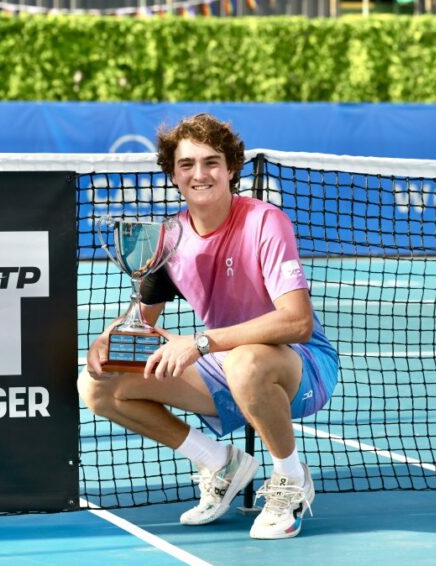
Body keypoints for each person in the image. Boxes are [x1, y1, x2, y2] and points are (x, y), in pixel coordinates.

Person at [78, 113, 339, 540]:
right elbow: (139, 323)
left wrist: (200, 343)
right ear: (174, 176)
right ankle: (220, 462)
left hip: (301, 366)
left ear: (231, 168)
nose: (200, 174)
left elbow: (298, 322)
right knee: (98, 386)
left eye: (211, 162)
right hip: (224, 361)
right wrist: (107, 344)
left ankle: (290, 480)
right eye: (187, 165)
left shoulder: (265, 222)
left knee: (247, 364)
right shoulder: (169, 238)